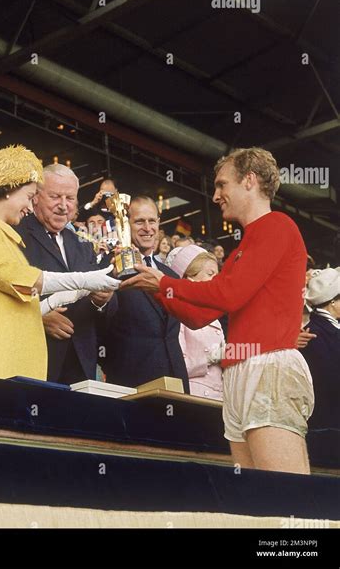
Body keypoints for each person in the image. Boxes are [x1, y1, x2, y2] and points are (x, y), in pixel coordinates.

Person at [122, 148, 313, 475]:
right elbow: (200, 316)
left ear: (249, 181)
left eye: (223, 185)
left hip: (268, 367)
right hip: (239, 371)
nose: (215, 195)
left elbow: (228, 294)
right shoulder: (243, 248)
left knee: (284, 489)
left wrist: (166, 282)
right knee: (254, 496)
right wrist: (157, 289)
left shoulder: (277, 226)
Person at [0, 146, 119, 381]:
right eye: (29, 196)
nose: (64, 205)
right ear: (10, 190)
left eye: (70, 198)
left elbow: (21, 298)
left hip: (52, 364)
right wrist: (87, 280)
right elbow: (26, 281)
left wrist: (93, 292)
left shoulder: (80, 242)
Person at [17, 163, 117, 384]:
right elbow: (3, 291)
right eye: (55, 197)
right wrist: (37, 316)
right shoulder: (16, 233)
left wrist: (102, 302)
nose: (63, 206)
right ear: (35, 197)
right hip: (34, 360)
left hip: (82, 366)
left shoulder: (84, 244)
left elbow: (108, 311)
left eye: (70, 198)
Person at [100, 196, 189, 391]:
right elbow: (99, 320)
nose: (147, 228)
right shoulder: (109, 269)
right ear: (125, 224)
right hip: (130, 381)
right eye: (139, 221)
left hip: (175, 377)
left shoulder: (171, 276)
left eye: (152, 221)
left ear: (159, 223)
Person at [166, 245, 224, 401]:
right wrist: (211, 357)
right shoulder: (178, 314)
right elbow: (177, 366)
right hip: (194, 396)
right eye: (210, 274)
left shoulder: (214, 314)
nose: (216, 280)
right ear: (189, 278)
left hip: (221, 398)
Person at [302, 268, 340, 430]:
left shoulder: (330, 328)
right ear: (333, 301)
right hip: (327, 420)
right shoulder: (315, 332)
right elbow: (329, 377)